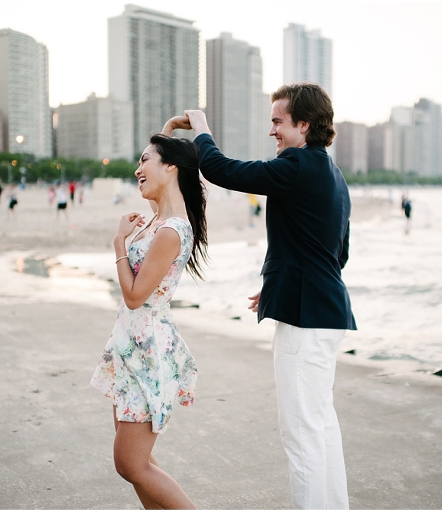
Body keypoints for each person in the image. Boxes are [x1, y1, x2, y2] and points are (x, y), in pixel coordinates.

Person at [167, 82, 356, 510]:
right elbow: (335, 252)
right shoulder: (332, 174)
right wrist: (279, 283)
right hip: (326, 314)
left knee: (301, 435)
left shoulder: (297, 165)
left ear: (303, 125)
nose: (272, 130)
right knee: (321, 427)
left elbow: (224, 171)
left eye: (278, 121)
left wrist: (201, 131)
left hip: (305, 322)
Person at [89, 129, 207, 510]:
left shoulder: (173, 229)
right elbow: (167, 149)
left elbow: (136, 296)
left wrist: (118, 245)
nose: (137, 167)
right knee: (139, 463)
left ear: (170, 167)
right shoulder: (157, 220)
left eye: (145, 160)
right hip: (128, 344)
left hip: (148, 349)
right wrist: (171, 127)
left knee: (130, 463)